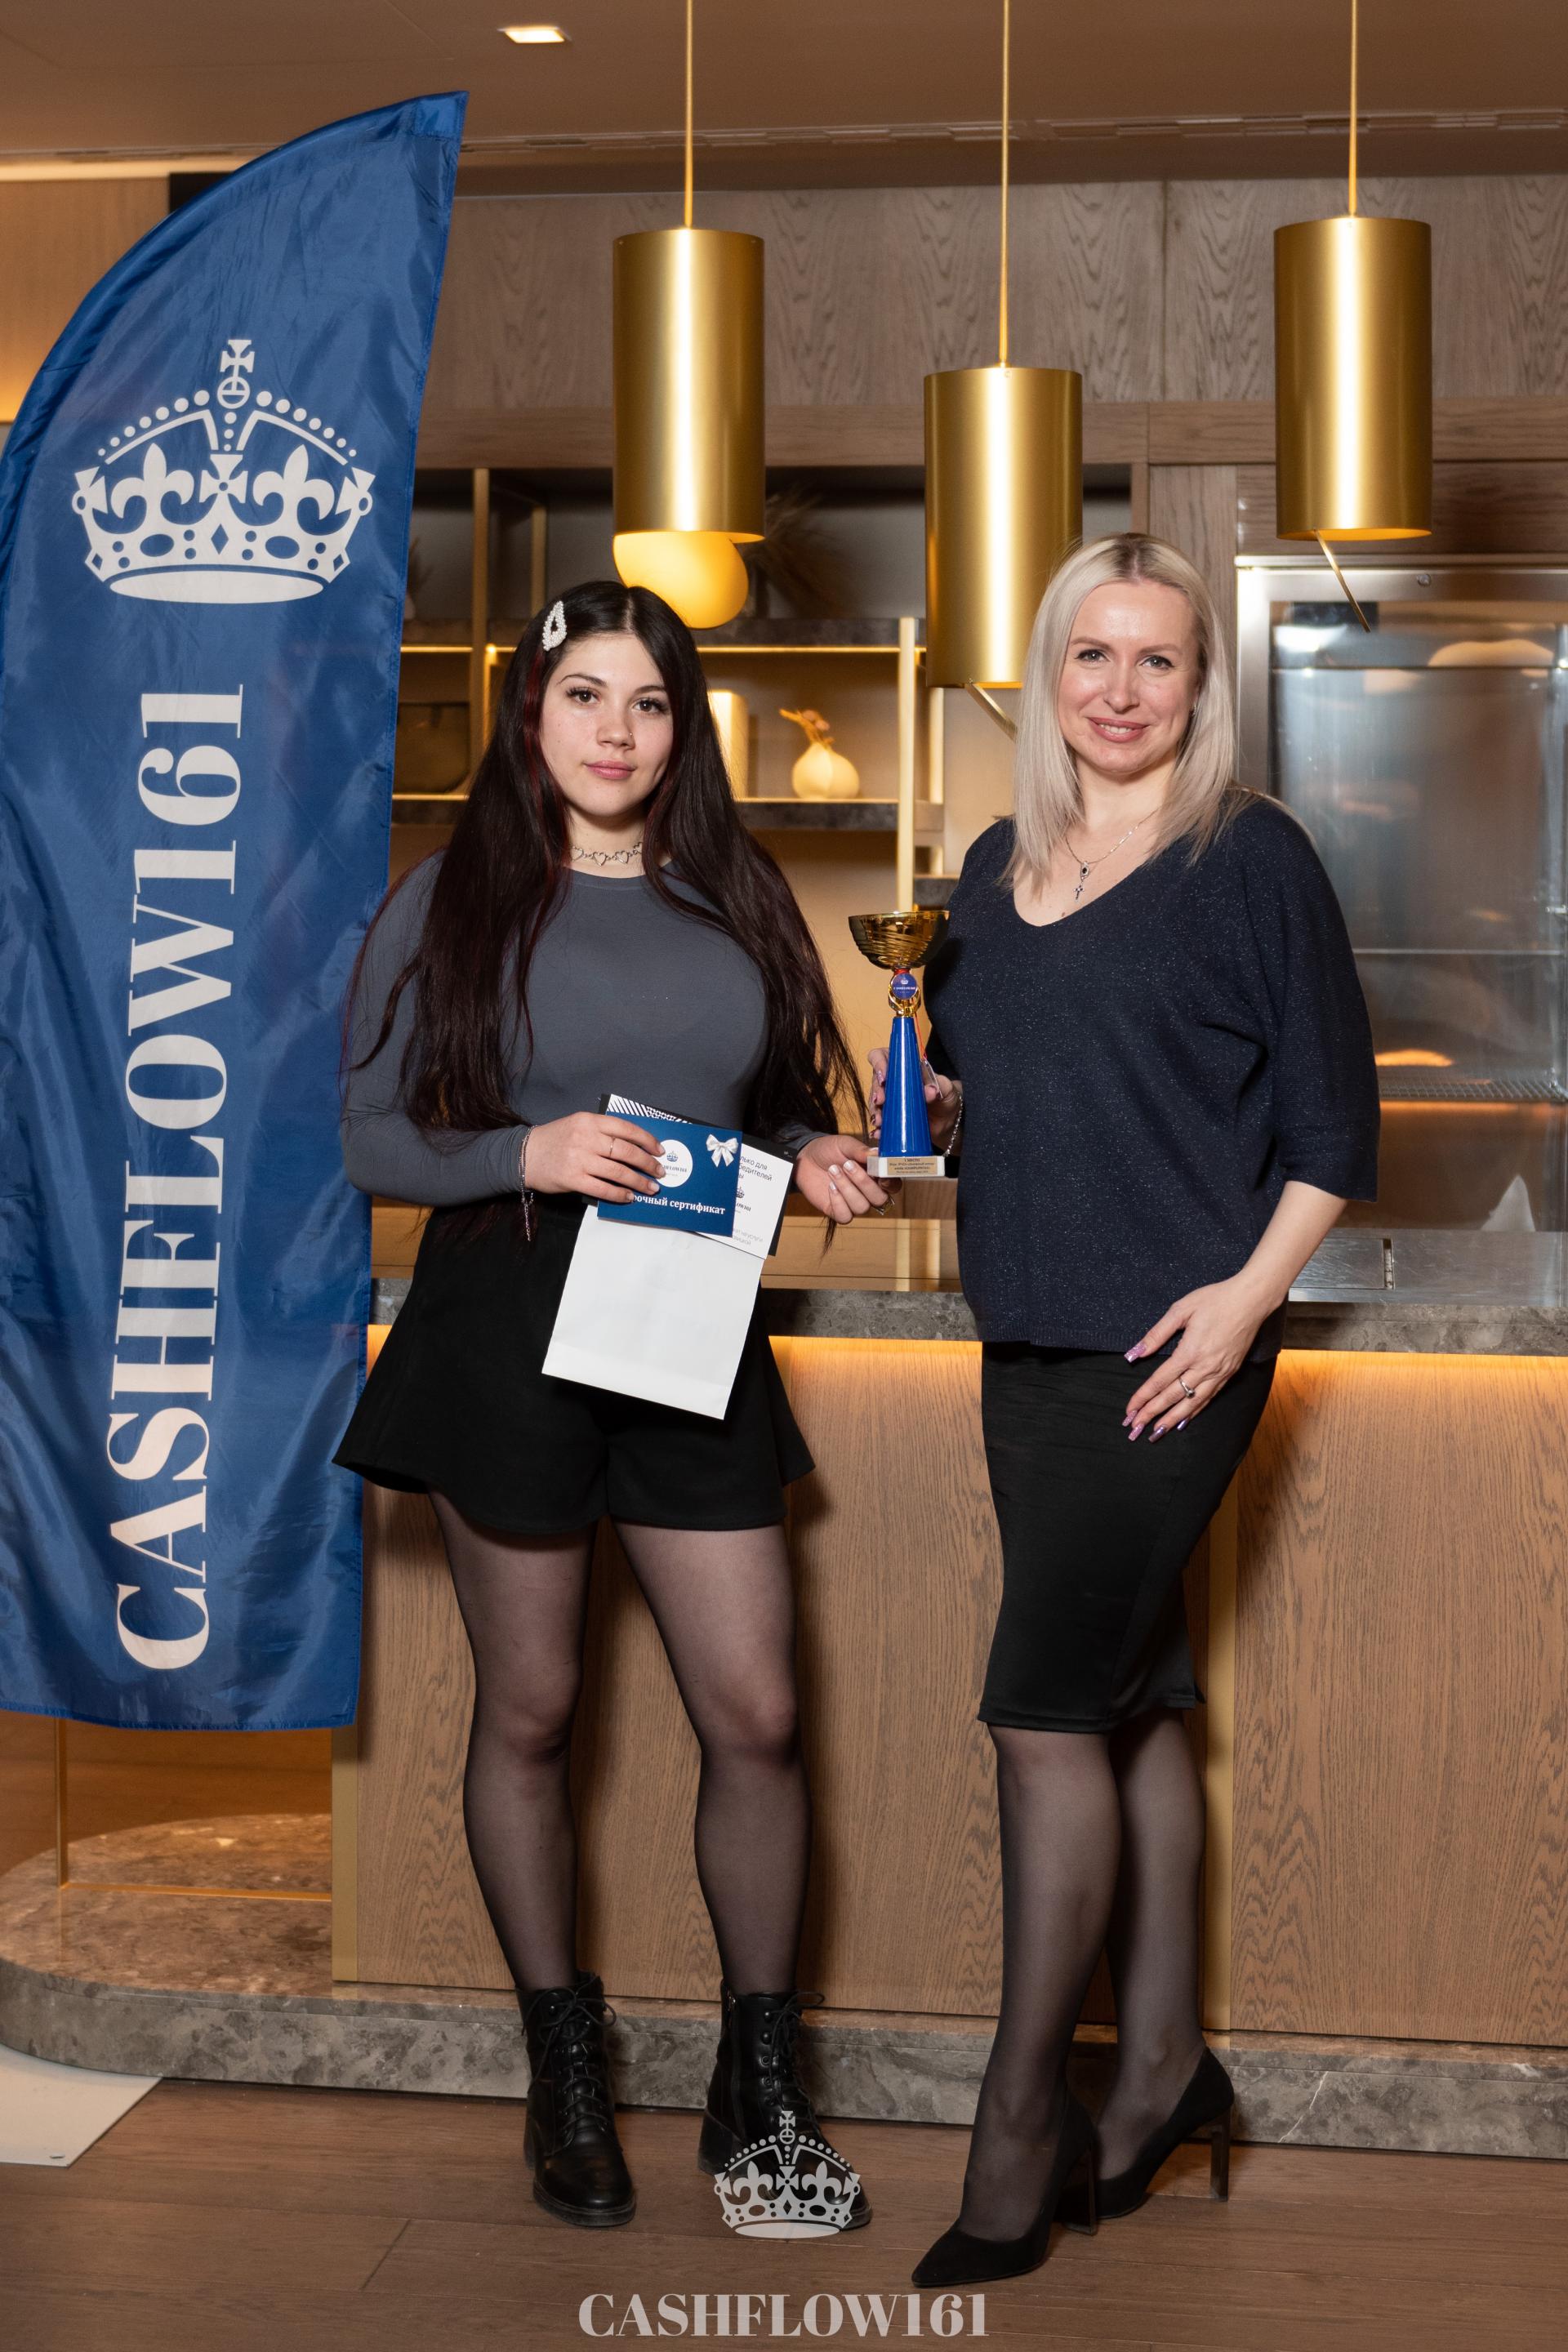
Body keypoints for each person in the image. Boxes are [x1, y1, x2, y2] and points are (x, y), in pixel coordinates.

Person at [334, 581, 884, 2232]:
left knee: (759, 1712)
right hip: (507, 1312)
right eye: (585, 694)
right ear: (532, 709)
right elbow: (367, 1136)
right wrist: (531, 1148)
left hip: (685, 1309)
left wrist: (809, 1147)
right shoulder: (451, 897)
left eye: (648, 702)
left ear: (680, 727)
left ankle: (758, 2087)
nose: (616, 731)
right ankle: (564, 2066)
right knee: (533, 1710)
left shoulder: (737, 891)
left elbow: (763, 1100)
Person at [879, 533, 1379, 2288]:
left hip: (1170, 1356)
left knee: (1037, 1716)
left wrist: (1242, 1310)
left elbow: (1334, 1134)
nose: (1120, 688)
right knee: (1134, 1699)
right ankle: (1167, 2063)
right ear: (1049, 669)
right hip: (1024, 1344)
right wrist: (941, 1104)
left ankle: (1021, 2121)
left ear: (1200, 684)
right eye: (1092, 653)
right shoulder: (996, 860)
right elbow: (998, 1080)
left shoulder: (1251, 858)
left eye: (1158, 659)